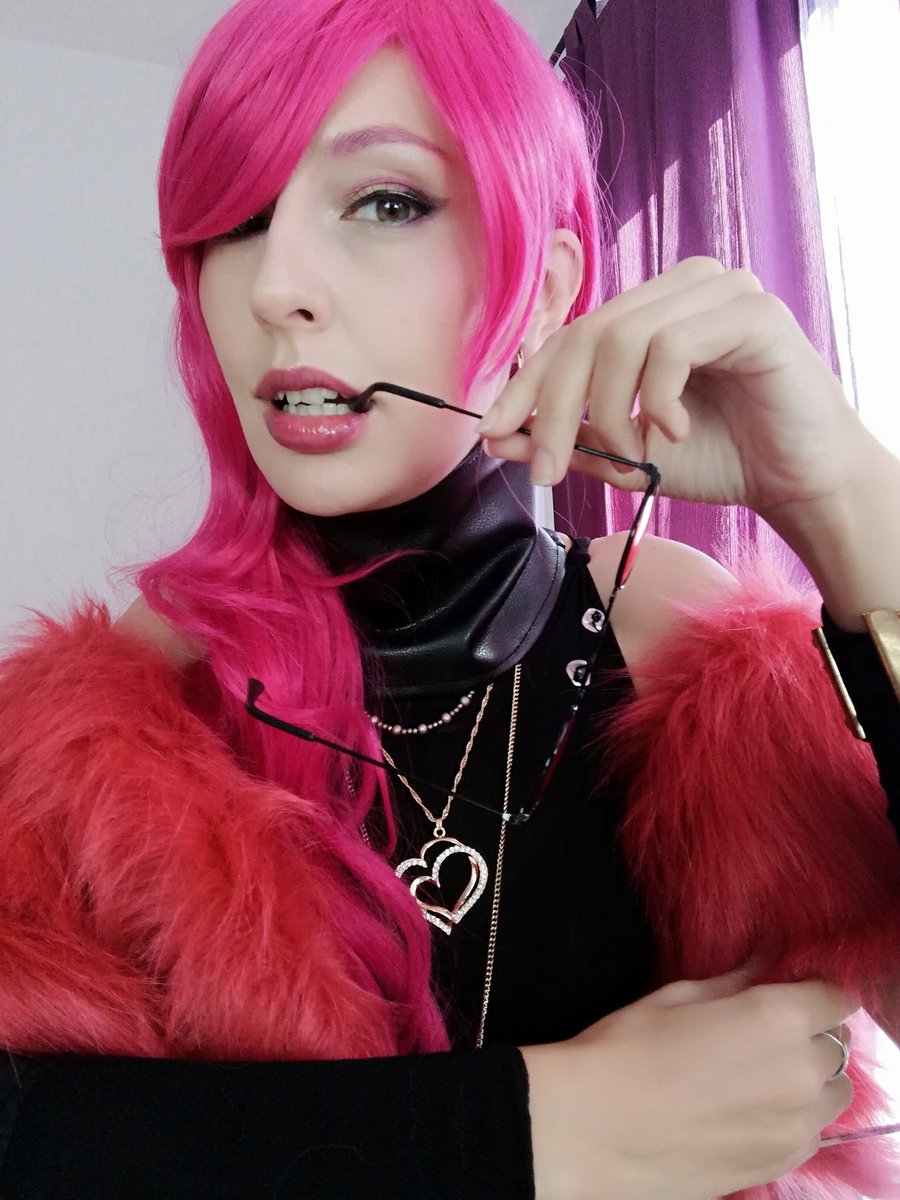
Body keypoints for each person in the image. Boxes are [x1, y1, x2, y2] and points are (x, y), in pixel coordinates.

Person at [1, 0, 899, 1196]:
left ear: (548, 286)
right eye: (238, 222)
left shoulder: (683, 654)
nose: (274, 289)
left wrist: (846, 499)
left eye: (386, 203)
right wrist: (538, 1128)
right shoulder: (118, 718)